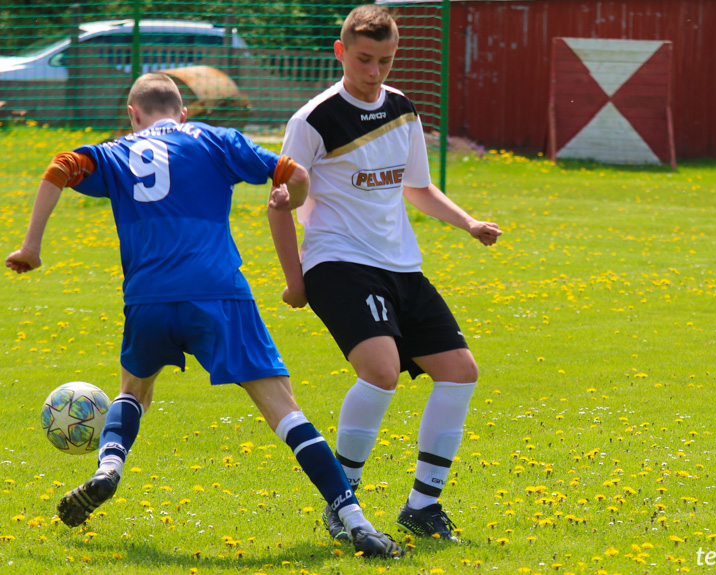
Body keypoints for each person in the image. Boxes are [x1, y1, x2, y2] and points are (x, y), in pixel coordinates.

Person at [5, 73, 401, 559]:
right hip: (218, 294)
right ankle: (355, 519)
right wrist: (288, 199)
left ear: (132, 114)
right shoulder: (216, 139)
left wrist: (31, 245)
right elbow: (296, 175)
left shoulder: (117, 150)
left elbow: (59, 167)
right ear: (184, 111)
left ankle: (110, 465)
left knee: (133, 391)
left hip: (147, 298)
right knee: (283, 409)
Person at [270, 4, 502, 543]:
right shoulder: (313, 120)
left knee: (460, 371)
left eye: (386, 61)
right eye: (364, 59)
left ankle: (422, 506)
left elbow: (417, 187)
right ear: (341, 52)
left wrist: (467, 223)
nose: (375, 72)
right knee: (382, 370)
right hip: (338, 262)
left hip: (400, 263)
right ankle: (341, 498)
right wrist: (296, 279)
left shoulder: (402, 107)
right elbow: (279, 204)